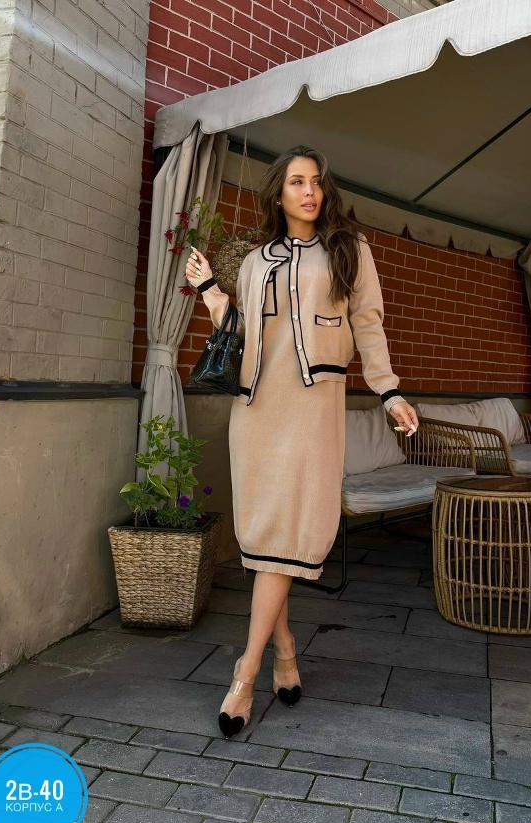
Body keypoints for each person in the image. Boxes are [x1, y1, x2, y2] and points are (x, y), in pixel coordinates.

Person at [183, 145, 419, 738]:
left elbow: (368, 322)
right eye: (296, 181)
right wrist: (211, 290)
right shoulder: (254, 260)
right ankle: (285, 651)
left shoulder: (349, 249)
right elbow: (240, 332)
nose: (309, 191)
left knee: (290, 529)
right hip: (257, 408)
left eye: (316, 181)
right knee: (268, 537)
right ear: (279, 193)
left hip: (313, 407)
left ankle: (245, 671)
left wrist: (389, 391)